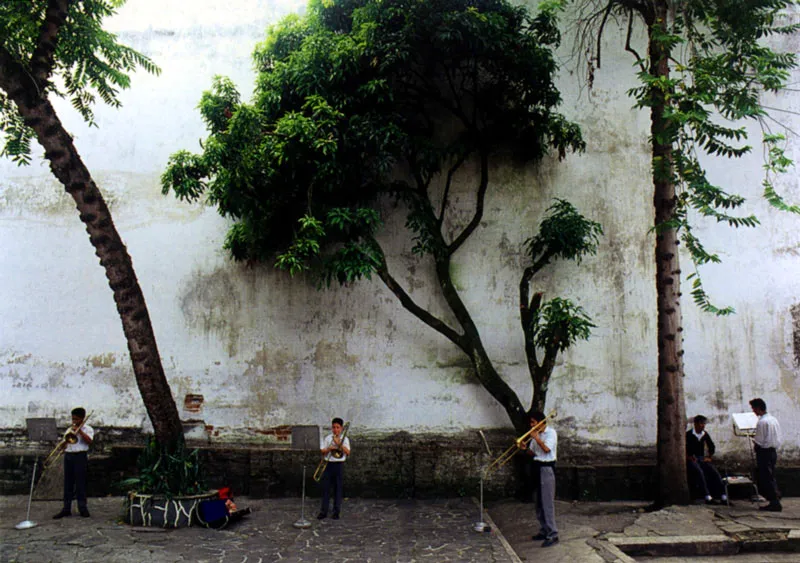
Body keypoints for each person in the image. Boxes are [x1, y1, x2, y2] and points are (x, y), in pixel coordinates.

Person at [522, 411, 558, 548]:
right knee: (538, 501)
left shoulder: (551, 433)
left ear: (541, 422)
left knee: (547, 502)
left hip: (546, 468)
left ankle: (553, 534)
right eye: (530, 423)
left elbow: (547, 449)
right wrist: (524, 448)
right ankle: (544, 530)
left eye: (533, 422)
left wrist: (537, 438)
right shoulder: (534, 435)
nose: (531, 425)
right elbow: (533, 452)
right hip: (536, 467)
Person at [53, 407, 94, 519]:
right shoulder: (69, 430)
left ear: (82, 418)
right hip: (69, 456)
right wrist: (63, 444)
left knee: (80, 483)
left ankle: (83, 508)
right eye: (73, 419)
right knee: (68, 483)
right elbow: (63, 444)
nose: (74, 421)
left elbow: (89, 441)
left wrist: (79, 431)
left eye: (76, 419)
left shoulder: (88, 429)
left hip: (80, 456)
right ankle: (66, 509)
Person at [686, 415, 727, 505]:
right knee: (699, 472)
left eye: (704, 424)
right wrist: (687, 456)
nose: (703, 426)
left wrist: (709, 457)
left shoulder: (704, 434)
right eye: (701, 423)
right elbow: (683, 448)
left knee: (714, 471)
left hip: (701, 458)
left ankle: (723, 495)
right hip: (692, 459)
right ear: (695, 424)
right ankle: (707, 496)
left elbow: (711, 446)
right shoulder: (688, 435)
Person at [750, 398, 782, 512]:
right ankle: (775, 498)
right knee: (771, 476)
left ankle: (774, 502)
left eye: (754, 408)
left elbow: (759, 441)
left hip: (764, 452)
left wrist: (754, 442)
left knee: (766, 477)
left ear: (758, 408)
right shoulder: (773, 420)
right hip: (773, 451)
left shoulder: (762, 422)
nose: (753, 411)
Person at [317, 417, 350, 520]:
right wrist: (329, 448)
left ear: (341, 429)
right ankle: (324, 511)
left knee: (338, 489)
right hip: (328, 464)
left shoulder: (345, 439)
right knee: (326, 489)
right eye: (334, 427)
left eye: (338, 427)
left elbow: (348, 452)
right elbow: (322, 451)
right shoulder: (328, 438)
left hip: (339, 465)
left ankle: (336, 512)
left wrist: (339, 443)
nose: (335, 430)